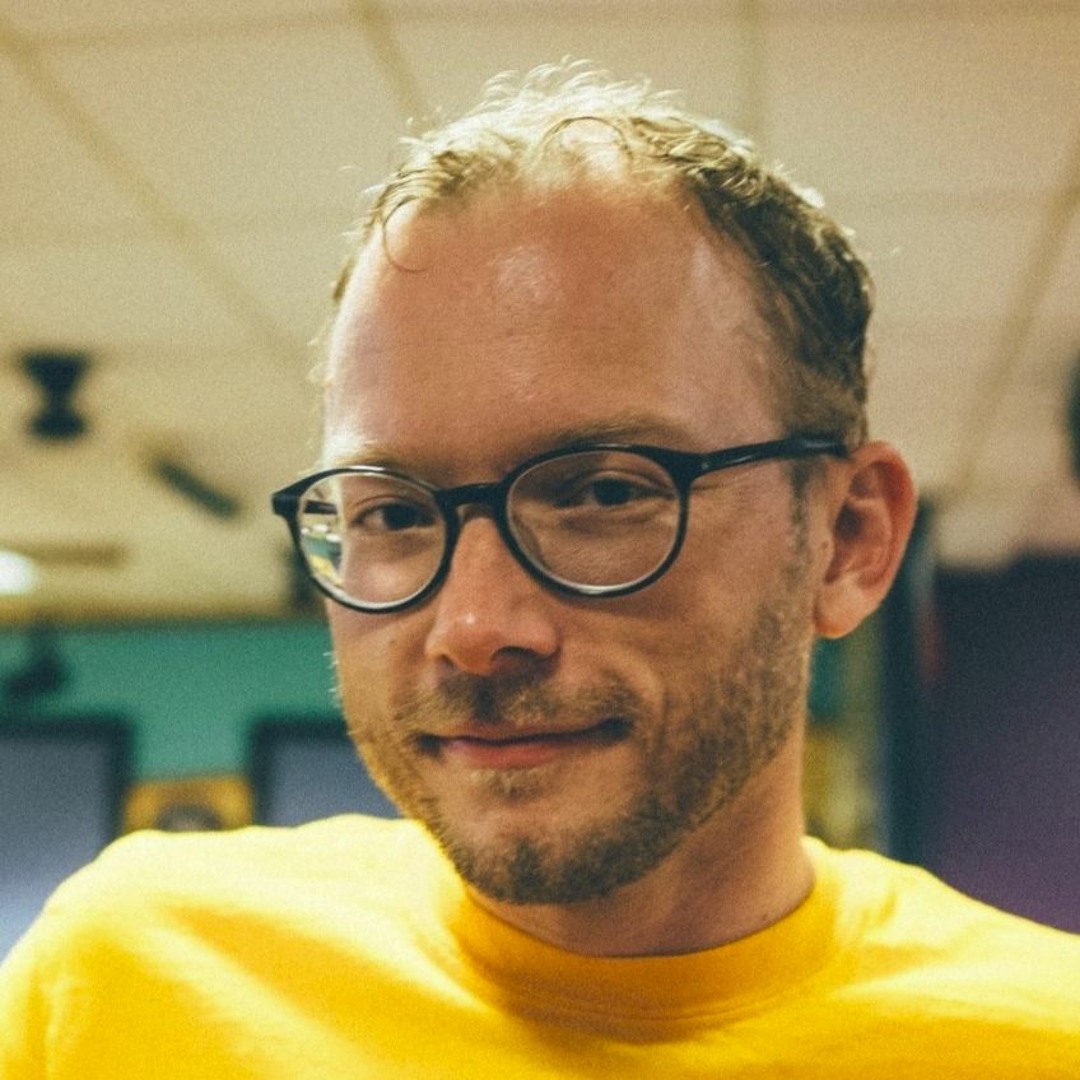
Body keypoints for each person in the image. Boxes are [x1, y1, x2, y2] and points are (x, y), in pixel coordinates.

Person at [2, 62, 1078, 1078]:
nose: (472, 628)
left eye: (602, 493)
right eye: (392, 512)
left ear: (846, 539)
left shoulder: (1034, 1043)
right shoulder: (124, 987)